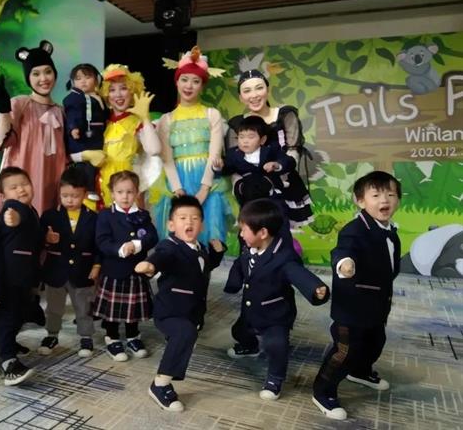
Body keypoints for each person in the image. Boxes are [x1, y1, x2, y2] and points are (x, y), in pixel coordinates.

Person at [312, 171, 401, 421]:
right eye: (376, 195)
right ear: (360, 201)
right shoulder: (354, 230)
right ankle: (322, 390)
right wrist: (344, 264)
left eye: (391, 194)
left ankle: (360, 371)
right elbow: (342, 250)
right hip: (352, 307)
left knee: (375, 342)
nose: (384, 200)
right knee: (345, 351)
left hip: (377, 303)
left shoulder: (389, 230)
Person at [224, 199, 329, 401]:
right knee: (239, 331)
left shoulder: (284, 257)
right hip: (251, 310)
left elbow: (297, 273)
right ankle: (250, 346)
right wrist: (233, 284)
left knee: (276, 345)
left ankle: (275, 378)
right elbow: (240, 265)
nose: (241, 234)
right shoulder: (248, 249)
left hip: (276, 314)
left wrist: (315, 288)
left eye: (244, 229)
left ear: (262, 233)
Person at [135, 195, 225, 412]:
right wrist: (150, 265)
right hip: (169, 311)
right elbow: (162, 257)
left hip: (192, 311)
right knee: (185, 334)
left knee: (187, 336)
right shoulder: (170, 246)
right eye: (183, 218)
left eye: (195, 218)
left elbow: (202, 267)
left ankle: (176, 345)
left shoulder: (199, 248)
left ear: (202, 225)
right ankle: (159, 385)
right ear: (171, 225)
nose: (189, 222)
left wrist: (217, 253)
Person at [152, 46, 230, 245]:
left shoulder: (212, 114)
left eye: (196, 81)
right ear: (177, 82)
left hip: (208, 182)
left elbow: (214, 154)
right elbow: (167, 158)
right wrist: (177, 189)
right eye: (184, 79)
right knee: (178, 237)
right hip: (178, 182)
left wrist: (204, 189)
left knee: (211, 238)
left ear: (202, 86)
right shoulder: (166, 119)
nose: (189, 86)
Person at [0, 40, 67, 214]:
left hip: (53, 184)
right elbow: (1, 142)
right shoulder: (20, 104)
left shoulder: (61, 111)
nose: (43, 79)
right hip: (21, 185)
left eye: (48, 72)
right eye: (36, 74)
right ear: (28, 78)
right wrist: (3, 109)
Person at [227, 69, 313, 227]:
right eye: (247, 91)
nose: (254, 95)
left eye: (259, 88)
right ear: (240, 97)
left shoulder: (284, 115)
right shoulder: (237, 124)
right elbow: (234, 162)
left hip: (283, 182)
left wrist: (278, 171)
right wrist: (240, 187)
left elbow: (293, 150)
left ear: (268, 89)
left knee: (282, 229)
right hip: (252, 190)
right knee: (254, 230)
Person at [93, 170, 158, 361]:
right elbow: (102, 241)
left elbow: (152, 237)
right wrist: (120, 249)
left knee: (133, 310)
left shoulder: (143, 215)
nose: (125, 196)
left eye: (130, 192)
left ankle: (133, 337)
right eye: (120, 192)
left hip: (136, 271)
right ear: (112, 193)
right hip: (114, 271)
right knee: (112, 311)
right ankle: (112, 338)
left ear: (137, 192)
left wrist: (137, 245)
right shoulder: (105, 215)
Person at [38, 167, 100, 357]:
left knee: (84, 307)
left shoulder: (93, 218)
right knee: (53, 307)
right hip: (55, 270)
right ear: (59, 193)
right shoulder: (50, 215)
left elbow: (99, 244)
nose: (69, 200)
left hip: (83, 270)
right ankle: (52, 335)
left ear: (85, 194)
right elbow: (37, 240)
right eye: (65, 196)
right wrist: (47, 238)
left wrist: (97, 265)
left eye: (75, 196)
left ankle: (86, 337)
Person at [0, 167, 42, 386]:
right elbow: (12, 216)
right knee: (8, 316)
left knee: (19, 314)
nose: (21, 189)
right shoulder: (13, 208)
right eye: (13, 187)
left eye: (24, 184)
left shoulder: (33, 210)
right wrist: (12, 217)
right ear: (4, 196)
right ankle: (8, 362)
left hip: (25, 275)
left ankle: (10, 343)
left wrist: (46, 237)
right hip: (9, 275)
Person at [98, 64, 161, 206]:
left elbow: (154, 150)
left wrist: (145, 118)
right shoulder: (103, 123)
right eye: (112, 90)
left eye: (123, 88)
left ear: (132, 91)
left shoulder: (136, 122)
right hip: (101, 188)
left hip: (128, 191)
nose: (118, 94)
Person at [213, 116, 295, 206]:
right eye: (241, 137)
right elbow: (228, 168)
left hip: (271, 194)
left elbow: (289, 161)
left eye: (251, 137)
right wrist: (219, 167)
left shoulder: (270, 150)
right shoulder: (233, 154)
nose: (245, 141)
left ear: (262, 140)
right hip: (248, 195)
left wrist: (276, 165)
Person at [63, 64, 107, 201]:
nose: (83, 81)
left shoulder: (98, 97)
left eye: (87, 77)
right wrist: (73, 128)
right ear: (73, 82)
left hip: (96, 136)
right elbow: (73, 114)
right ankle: (88, 189)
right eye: (78, 78)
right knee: (86, 164)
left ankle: (95, 188)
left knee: (96, 163)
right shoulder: (75, 98)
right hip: (82, 138)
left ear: (96, 79)